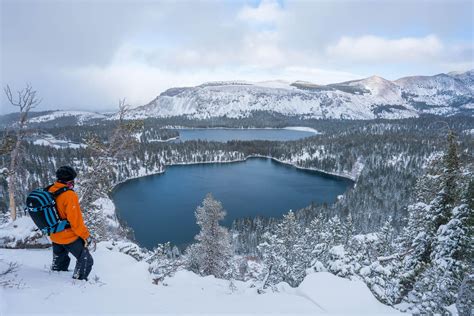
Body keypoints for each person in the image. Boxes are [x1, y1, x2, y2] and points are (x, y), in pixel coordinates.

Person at [48, 166, 94, 281]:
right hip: (67, 236)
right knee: (86, 260)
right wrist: (86, 236)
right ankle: (78, 283)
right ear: (70, 180)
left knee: (60, 258)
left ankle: (55, 277)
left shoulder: (50, 189)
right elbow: (76, 222)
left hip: (54, 235)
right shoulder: (69, 195)